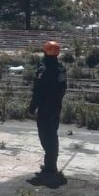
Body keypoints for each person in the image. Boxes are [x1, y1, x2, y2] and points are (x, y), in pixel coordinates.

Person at [28, 40, 68, 179]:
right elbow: (63, 88)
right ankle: (51, 164)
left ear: (45, 52)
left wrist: (32, 107)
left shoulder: (43, 69)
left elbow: (38, 90)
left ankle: (50, 167)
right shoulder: (61, 68)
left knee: (45, 135)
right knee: (52, 134)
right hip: (56, 106)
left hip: (45, 108)